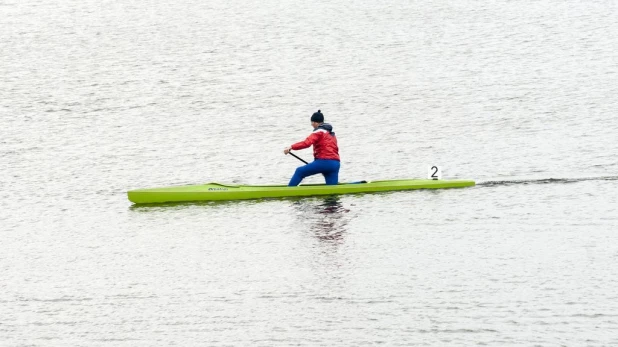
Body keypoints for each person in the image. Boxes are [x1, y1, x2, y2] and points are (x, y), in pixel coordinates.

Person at [284, 110, 340, 186]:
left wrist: (291, 147)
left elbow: (306, 143)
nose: (311, 125)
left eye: (312, 122)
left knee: (299, 171)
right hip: (335, 164)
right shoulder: (331, 134)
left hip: (323, 162)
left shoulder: (318, 132)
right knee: (332, 190)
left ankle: (289, 191)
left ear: (315, 122)